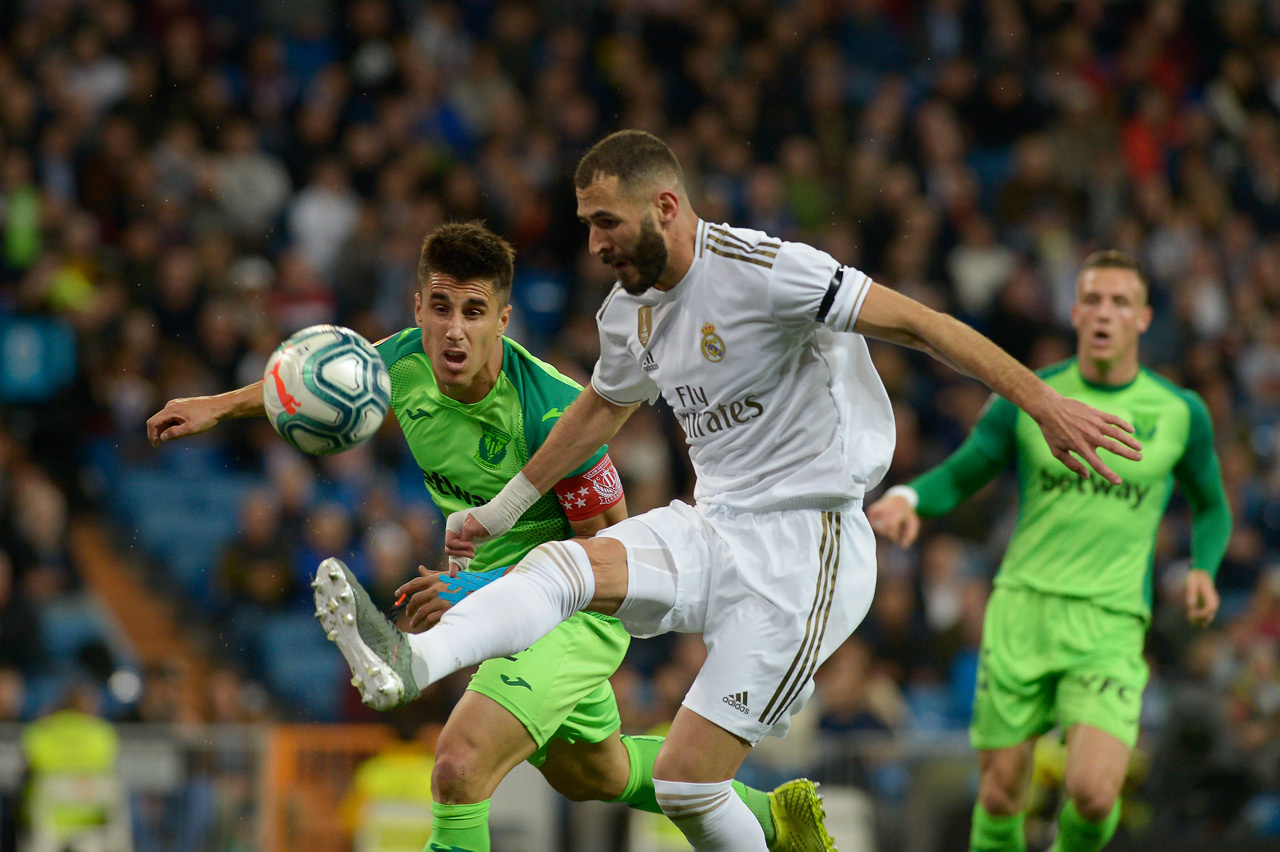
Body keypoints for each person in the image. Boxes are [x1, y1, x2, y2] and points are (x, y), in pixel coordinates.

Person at [312, 131, 1141, 852]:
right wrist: (493, 515)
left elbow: (920, 324)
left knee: (685, 787)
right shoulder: (629, 312)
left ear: (665, 207)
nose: (594, 242)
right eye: (587, 224)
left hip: (808, 548)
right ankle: (416, 660)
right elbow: (603, 407)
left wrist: (1043, 400)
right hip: (717, 523)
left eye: (605, 221)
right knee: (569, 567)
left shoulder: (768, 271)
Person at [147, 221, 830, 852]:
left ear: (503, 319)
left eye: (473, 313)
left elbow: (610, 558)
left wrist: (484, 587)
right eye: (440, 307)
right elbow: (311, 383)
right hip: (495, 603)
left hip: (577, 608)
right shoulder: (404, 361)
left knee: (459, 766)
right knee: (592, 770)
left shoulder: (556, 415)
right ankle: (777, 821)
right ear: (417, 308)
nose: (453, 331)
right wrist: (220, 406)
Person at [865, 250, 1231, 852]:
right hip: (1022, 611)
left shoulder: (1179, 412)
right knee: (1001, 795)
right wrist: (908, 497)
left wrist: (1203, 570)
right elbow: (966, 471)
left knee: (1093, 793)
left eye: (1120, 302)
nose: (1104, 312)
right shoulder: (1029, 395)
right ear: (1074, 311)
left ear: (1143, 318)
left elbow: (1212, 504)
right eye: (1093, 299)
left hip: (1110, 621)